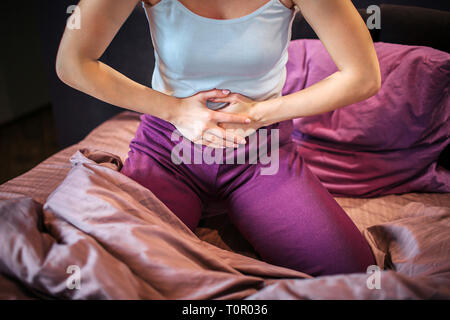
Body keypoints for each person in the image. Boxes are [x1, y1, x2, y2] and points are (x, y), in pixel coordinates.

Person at [56, 0, 381, 276]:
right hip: (169, 154)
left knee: (355, 272)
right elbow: (73, 62)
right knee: (117, 271)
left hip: (259, 155)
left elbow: (363, 75)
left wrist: (258, 114)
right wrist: (176, 110)